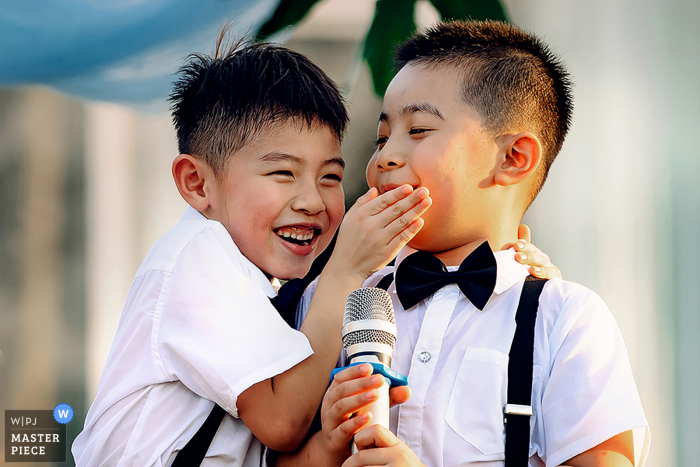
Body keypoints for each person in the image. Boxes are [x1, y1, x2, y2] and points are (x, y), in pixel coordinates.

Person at [278, 20, 649, 467]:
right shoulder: (333, 302)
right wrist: (328, 446)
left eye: (417, 130)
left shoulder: (565, 319)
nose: (384, 158)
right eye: (381, 137)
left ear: (513, 158)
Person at [71, 36, 434, 467]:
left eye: (331, 177)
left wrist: (332, 443)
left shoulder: (259, 286)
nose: (312, 201)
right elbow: (282, 421)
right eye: (282, 172)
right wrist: (347, 270)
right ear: (197, 183)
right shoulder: (196, 256)